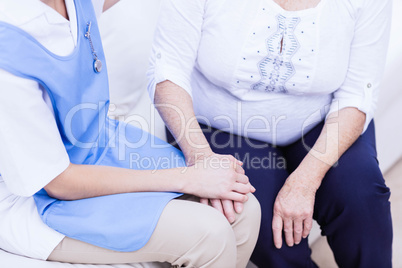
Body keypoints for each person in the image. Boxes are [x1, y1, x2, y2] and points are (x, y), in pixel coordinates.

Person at [0, 0, 261, 267]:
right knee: (209, 235)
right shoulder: (8, 45)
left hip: (99, 147)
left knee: (244, 208)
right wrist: (187, 178)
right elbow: (58, 182)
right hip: (41, 197)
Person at [147, 0, 393, 267]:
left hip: (323, 120)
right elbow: (167, 70)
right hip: (220, 128)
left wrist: (305, 182)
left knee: (360, 195)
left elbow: (357, 94)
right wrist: (202, 158)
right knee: (268, 229)